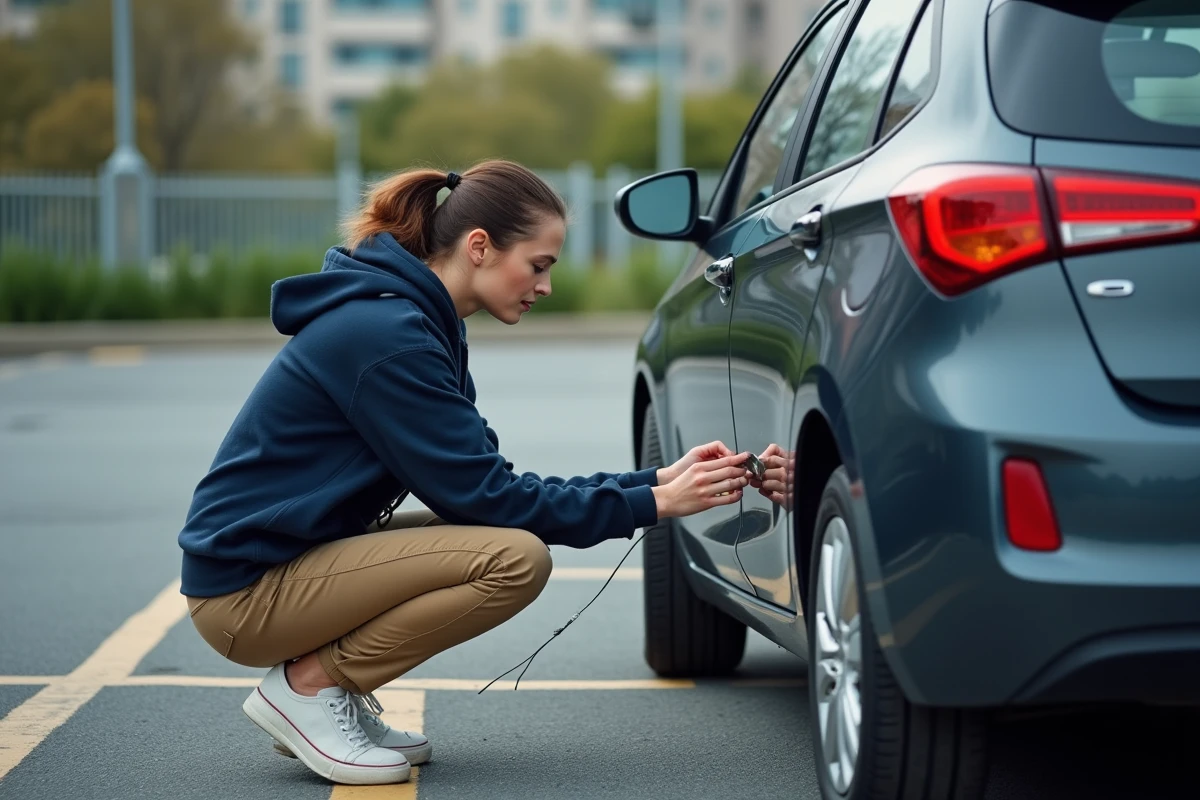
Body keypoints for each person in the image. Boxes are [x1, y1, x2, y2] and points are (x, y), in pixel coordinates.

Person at [177, 159, 754, 787]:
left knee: (503, 543)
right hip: (246, 593)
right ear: (479, 246)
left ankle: (324, 691)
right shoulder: (389, 336)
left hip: (290, 561)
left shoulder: (417, 323)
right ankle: (307, 689)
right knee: (513, 560)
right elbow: (490, 499)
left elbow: (490, 485)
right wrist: (655, 505)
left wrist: (655, 482)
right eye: (539, 265)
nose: (546, 286)